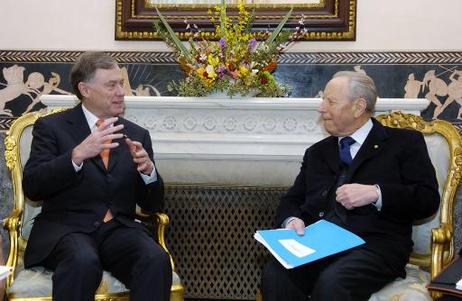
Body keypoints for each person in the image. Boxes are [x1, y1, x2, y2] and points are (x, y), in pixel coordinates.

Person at [260, 71, 440, 301]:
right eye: (323, 99)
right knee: (276, 275)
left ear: (358, 106)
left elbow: (427, 199)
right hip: (318, 246)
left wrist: (376, 194)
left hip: (374, 247)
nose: (321, 108)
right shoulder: (317, 152)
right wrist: (291, 220)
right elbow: (292, 200)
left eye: (330, 101)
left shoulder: (403, 143)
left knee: (333, 282)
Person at [22, 52, 171, 301]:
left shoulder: (136, 134)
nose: (121, 91)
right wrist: (77, 155)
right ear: (85, 89)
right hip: (67, 230)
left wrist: (148, 173)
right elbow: (33, 186)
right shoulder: (52, 128)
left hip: (118, 230)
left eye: (121, 83)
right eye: (111, 85)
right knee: (82, 260)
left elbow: (153, 205)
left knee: (155, 258)